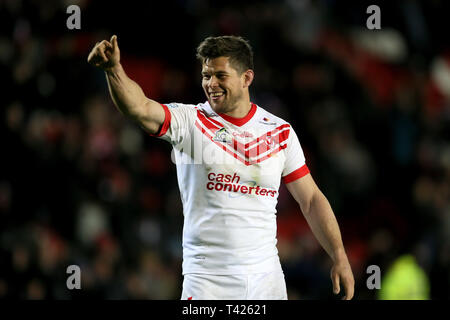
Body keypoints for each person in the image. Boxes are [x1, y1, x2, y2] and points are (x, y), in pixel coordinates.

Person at [87, 35, 355, 300]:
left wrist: (339, 254)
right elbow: (140, 108)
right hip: (208, 282)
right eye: (206, 75)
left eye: (220, 75)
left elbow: (310, 199)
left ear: (246, 78)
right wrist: (114, 71)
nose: (210, 83)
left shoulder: (280, 132)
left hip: (266, 281)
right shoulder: (190, 121)